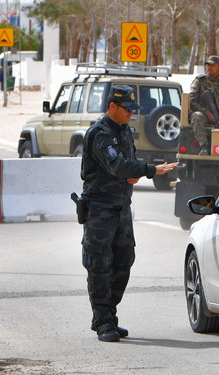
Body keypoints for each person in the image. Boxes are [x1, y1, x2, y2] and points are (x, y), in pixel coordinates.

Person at [81, 85, 177, 342]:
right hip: (100, 209)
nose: (131, 114)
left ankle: (107, 314)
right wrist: (150, 170)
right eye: (127, 109)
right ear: (112, 106)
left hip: (121, 208)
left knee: (124, 262)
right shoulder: (99, 134)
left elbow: (126, 170)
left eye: (134, 110)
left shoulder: (124, 132)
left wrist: (133, 174)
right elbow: (117, 165)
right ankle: (103, 321)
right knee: (99, 265)